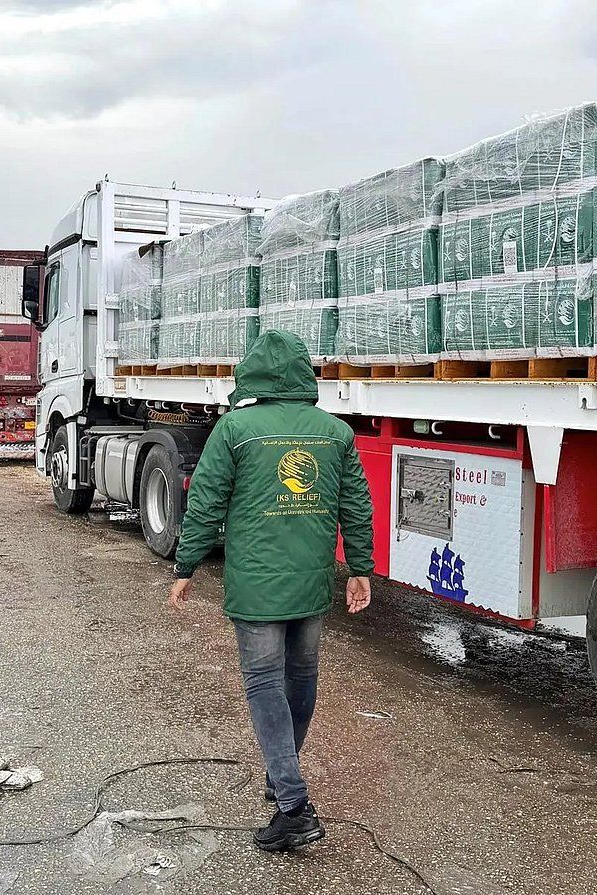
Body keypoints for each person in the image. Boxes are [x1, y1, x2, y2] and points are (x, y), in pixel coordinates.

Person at [169, 330, 375, 853]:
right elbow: (356, 504)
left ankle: (294, 806)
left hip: (257, 586)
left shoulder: (235, 429)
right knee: (300, 679)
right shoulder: (336, 432)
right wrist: (360, 569)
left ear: (253, 371)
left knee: (264, 683)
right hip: (311, 583)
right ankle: (283, 774)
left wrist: (186, 565)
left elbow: (207, 501)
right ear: (304, 374)